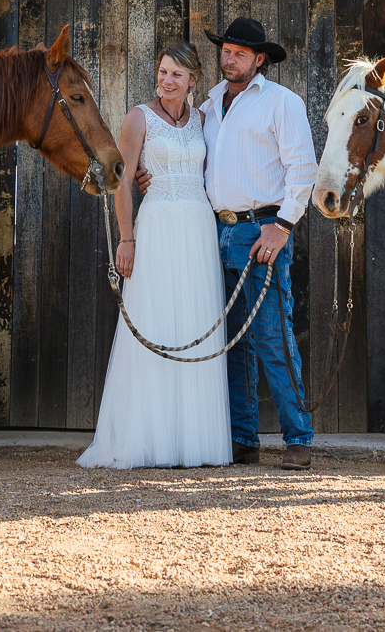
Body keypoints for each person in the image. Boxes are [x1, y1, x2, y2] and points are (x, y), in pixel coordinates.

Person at [77, 42, 233, 469]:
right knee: (155, 319)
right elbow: (122, 182)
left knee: (195, 319)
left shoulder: (203, 119)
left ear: (193, 81)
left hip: (198, 228)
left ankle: (191, 441)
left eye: (176, 75)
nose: (167, 80)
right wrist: (127, 239)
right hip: (158, 226)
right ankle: (146, 438)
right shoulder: (138, 117)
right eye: (163, 72)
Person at [199, 16, 317, 470]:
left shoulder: (281, 103)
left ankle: (298, 438)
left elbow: (302, 169)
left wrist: (282, 226)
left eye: (240, 53)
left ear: (259, 59)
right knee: (232, 341)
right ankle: (242, 439)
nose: (230, 59)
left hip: (261, 230)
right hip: (217, 230)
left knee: (271, 334)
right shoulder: (209, 104)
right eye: (226, 51)